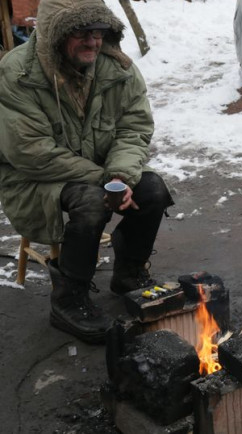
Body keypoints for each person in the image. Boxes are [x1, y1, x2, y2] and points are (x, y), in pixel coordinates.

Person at [0, 0, 173, 344]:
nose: (93, 42)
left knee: (152, 189)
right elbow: (30, 152)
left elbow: (133, 127)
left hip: (100, 167)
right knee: (92, 201)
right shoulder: (17, 72)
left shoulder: (116, 68)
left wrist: (121, 176)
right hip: (34, 177)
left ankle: (128, 272)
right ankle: (68, 299)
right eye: (81, 32)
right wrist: (104, 179)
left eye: (98, 33)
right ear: (54, 34)